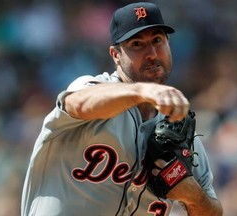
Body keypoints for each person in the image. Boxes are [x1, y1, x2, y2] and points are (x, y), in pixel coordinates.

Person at [21, 2, 223, 216]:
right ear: (115, 55)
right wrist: (141, 91)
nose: (152, 53)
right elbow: (78, 103)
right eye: (137, 44)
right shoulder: (93, 89)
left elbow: (212, 212)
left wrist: (193, 196)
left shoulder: (181, 131)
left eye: (157, 40)